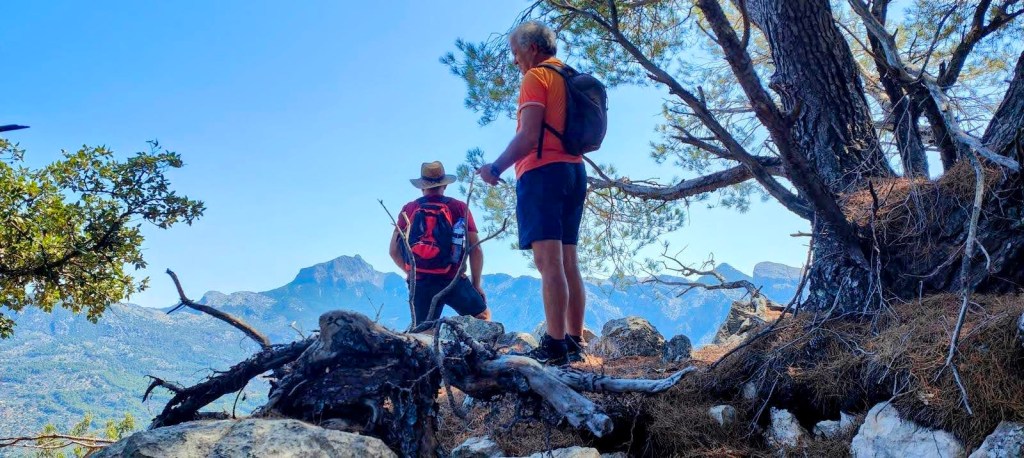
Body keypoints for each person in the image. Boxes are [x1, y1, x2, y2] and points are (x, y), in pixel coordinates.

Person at [477, 21, 587, 365]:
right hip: (575, 171)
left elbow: (527, 135)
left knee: (548, 262)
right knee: (569, 262)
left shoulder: (536, 77)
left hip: (543, 175)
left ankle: (554, 346)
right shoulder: (569, 76)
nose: (515, 61)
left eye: (515, 52)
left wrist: (495, 168)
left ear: (532, 48)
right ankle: (574, 340)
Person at [390, 161, 491, 327]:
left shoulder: (408, 209)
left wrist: (411, 273)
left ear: (422, 186)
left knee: (422, 333)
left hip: (421, 282)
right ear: (444, 185)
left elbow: (393, 251)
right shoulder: (458, 207)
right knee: (483, 317)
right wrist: (476, 285)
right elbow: (476, 249)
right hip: (451, 279)